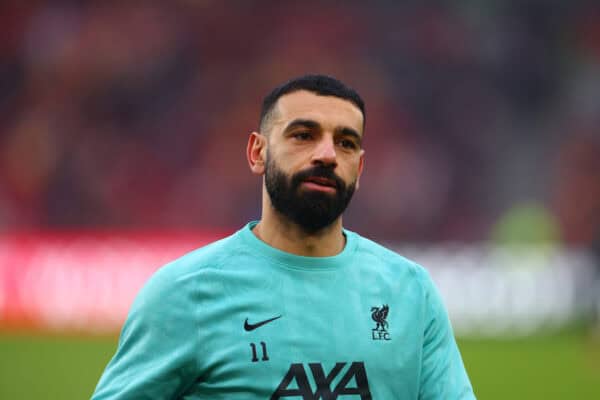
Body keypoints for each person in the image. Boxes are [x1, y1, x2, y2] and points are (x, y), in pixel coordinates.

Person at [92, 74, 476, 399]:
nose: (327, 154)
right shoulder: (184, 293)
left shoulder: (410, 292)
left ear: (359, 169)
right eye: (303, 135)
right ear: (258, 152)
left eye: (345, 142)